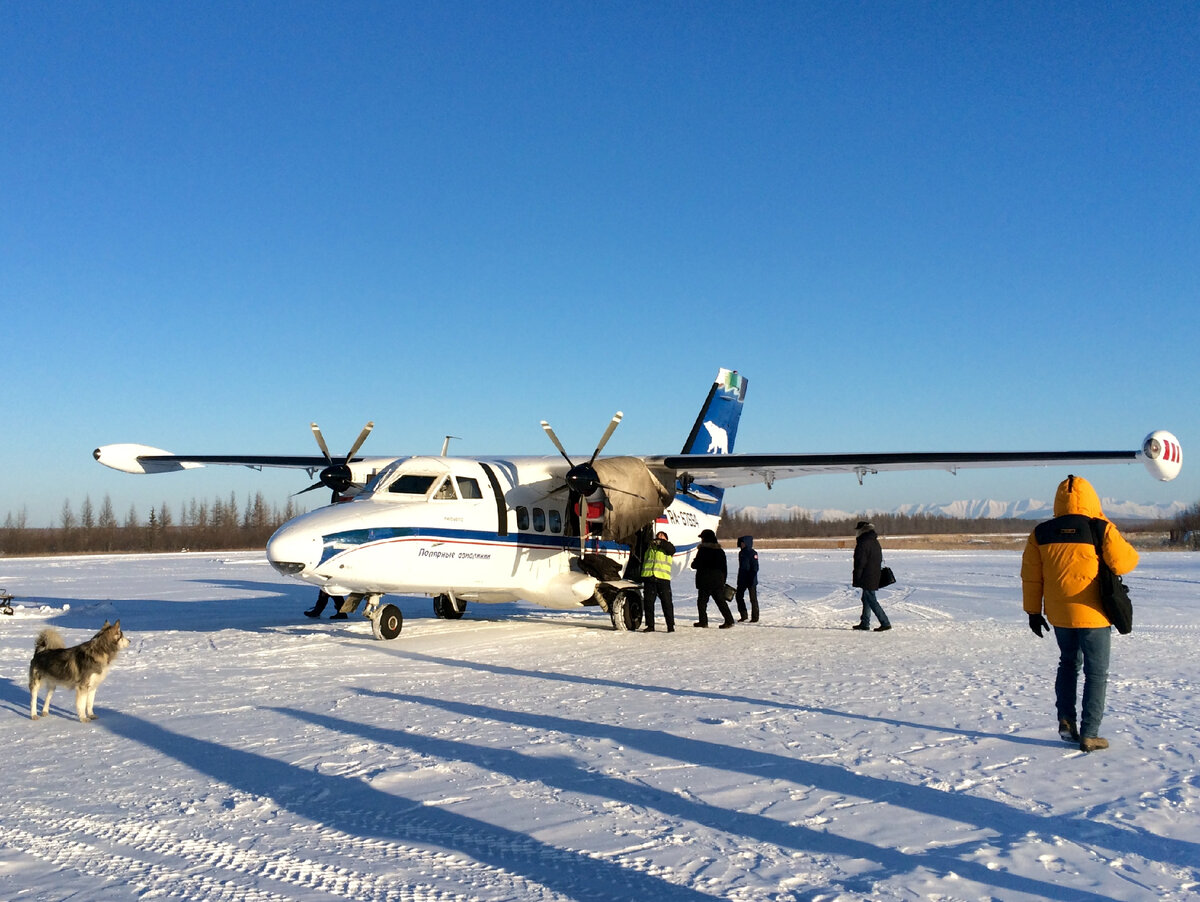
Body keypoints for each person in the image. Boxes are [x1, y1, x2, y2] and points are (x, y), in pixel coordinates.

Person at [1021, 474, 1139, 753]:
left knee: (1068, 665)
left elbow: (1031, 576)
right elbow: (1126, 562)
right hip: (1095, 614)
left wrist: (1032, 612)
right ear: (1091, 499)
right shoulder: (1100, 528)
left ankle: (1065, 720)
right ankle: (1090, 733)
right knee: (1096, 673)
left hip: (1059, 614)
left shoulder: (1041, 533)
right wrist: (1106, 523)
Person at [852, 520, 891, 632]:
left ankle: (885, 622)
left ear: (861, 530)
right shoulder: (874, 541)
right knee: (866, 598)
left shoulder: (863, 542)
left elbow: (860, 561)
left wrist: (857, 575)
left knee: (871, 599)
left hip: (867, 574)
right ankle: (865, 623)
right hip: (874, 573)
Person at [691, 529, 733, 628]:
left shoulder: (703, 550)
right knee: (721, 602)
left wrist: (694, 562)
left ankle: (703, 622)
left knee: (702, 603)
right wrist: (723, 580)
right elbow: (724, 568)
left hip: (704, 581)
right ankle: (729, 620)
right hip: (717, 581)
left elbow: (695, 565)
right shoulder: (720, 551)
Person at [640, 530, 676, 632]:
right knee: (648, 603)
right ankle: (650, 625)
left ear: (666, 538)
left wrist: (662, 543)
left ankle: (670, 625)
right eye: (658, 535)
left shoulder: (668, 547)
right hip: (650, 577)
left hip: (662, 578)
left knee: (667, 603)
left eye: (662, 535)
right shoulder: (650, 548)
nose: (659, 537)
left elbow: (671, 550)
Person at [735, 535, 759, 622]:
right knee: (738, 596)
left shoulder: (753, 553)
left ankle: (755, 618)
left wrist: (752, 577)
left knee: (753, 599)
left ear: (747, 543)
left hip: (751, 579)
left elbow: (755, 567)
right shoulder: (741, 553)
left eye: (743, 543)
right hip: (742, 579)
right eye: (741, 543)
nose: (741, 545)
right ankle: (743, 615)